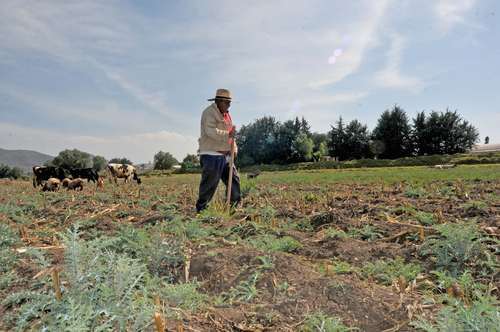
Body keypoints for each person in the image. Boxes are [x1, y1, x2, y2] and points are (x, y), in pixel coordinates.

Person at [196, 89, 241, 212]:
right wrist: (228, 134)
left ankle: (233, 209)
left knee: (234, 181)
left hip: (226, 155)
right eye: (226, 102)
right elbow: (210, 131)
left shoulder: (226, 115)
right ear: (218, 101)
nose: (229, 105)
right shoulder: (209, 113)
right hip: (212, 154)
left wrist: (234, 149)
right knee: (209, 185)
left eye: (229, 102)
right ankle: (202, 212)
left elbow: (232, 135)